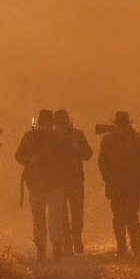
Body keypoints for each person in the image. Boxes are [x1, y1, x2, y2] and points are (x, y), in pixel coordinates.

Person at [15, 107, 72, 260]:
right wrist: (30, 159)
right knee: (39, 218)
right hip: (36, 184)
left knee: (54, 217)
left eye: (49, 123)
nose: (47, 126)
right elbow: (19, 155)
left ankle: (57, 247)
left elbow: (68, 160)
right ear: (40, 123)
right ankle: (41, 248)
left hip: (55, 184)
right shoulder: (30, 137)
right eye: (44, 123)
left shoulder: (59, 138)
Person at [95, 110, 140, 257]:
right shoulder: (110, 140)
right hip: (115, 184)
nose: (121, 126)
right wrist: (108, 180)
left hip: (132, 184)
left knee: (131, 216)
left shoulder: (136, 139)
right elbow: (102, 162)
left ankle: (136, 249)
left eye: (123, 124)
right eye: (119, 124)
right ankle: (122, 248)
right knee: (118, 217)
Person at [53, 108, 93, 254]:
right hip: (58, 181)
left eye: (63, 120)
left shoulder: (77, 134)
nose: (61, 123)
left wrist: (78, 149)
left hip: (75, 179)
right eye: (59, 121)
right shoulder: (52, 137)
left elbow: (88, 154)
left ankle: (76, 237)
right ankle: (67, 241)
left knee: (77, 211)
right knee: (62, 212)